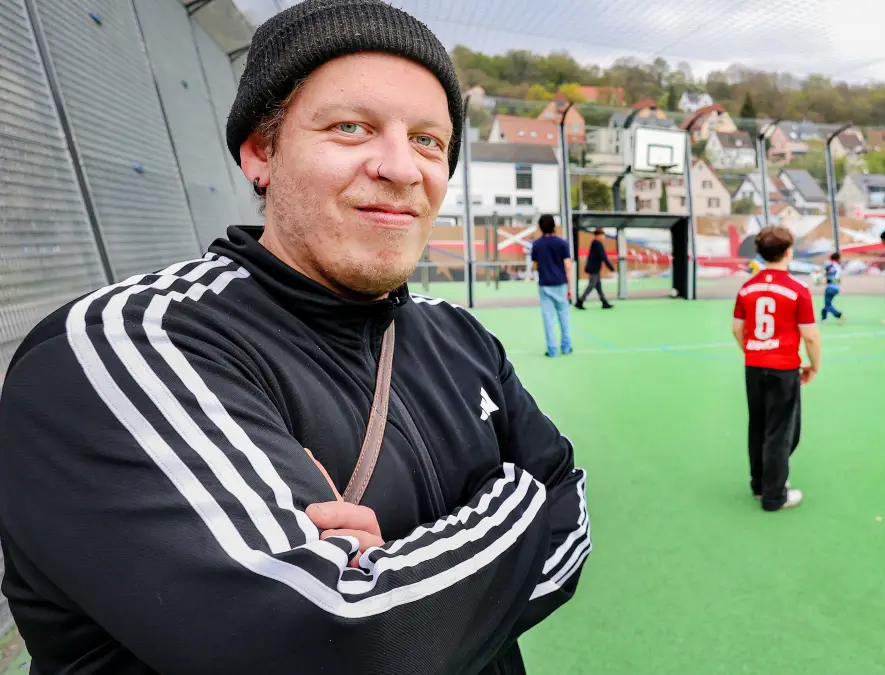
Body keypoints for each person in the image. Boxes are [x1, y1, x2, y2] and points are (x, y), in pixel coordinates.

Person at [0, 2, 590, 673]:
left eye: (428, 139)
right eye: (350, 127)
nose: (401, 167)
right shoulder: (123, 345)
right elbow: (340, 645)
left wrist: (394, 576)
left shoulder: (459, 334)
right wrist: (521, 499)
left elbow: (575, 528)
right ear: (261, 151)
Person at [732, 226, 820, 512]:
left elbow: (737, 328)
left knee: (757, 425)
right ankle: (774, 496)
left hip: (754, 367)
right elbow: (810, 335)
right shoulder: (797, 289)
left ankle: (759, 485)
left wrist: (753, 351)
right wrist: (813, 366)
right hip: (783, 369)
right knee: (781, 432)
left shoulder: (747, 287)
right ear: (788, 251)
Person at [530, 214, 574, 356]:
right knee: (564, 316)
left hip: (545, 285)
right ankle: (566, 347)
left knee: (548, 318)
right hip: (561, 284)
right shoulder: (562, 243)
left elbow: (535, 266)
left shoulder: (536, 245)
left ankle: (552, 349)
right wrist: (570, 288)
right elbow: (568, 266)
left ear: (540, 228)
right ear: (554, 226)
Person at [576, 228, 615, 310]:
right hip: (594, 268)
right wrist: (611, 267)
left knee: (598, 285)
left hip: (594, 268)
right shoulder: (597, 244)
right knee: (592, 285)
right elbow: (604, 257)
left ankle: (604, 302)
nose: (604, 236)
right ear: (598, 235)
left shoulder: (594, 243)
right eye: (603, 235)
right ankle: (580, 301)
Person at [821, 252, 845, 323]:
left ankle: (838, 314)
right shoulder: (838, 267)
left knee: (827, 304)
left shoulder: (830, 265)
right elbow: (838, 280)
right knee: (827, 304)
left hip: (830, 288)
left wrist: (819, 280)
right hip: (836, 288)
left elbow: (822, 271)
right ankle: (824, 318)